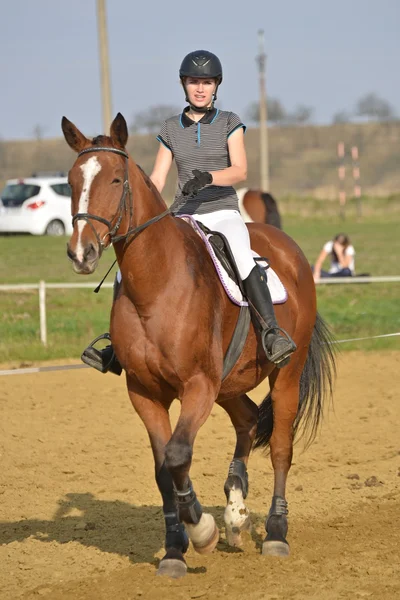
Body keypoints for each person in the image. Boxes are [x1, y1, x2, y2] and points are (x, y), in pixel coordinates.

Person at [82, 50, 296, 374]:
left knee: (241, 255)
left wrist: (209, 177)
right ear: (184, 84)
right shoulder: (170, 128)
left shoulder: (229, 122)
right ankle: (116, 347)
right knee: (125, 268)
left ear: (216, 86)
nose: (200, 88)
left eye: (206, 82)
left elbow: (239, 170)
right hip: (183, 216)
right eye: (194, 81)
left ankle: (271, 332)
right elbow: (157, 178)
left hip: (221, 212)